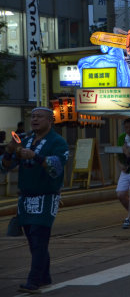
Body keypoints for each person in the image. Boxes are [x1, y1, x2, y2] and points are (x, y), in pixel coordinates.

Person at [1, 107, 69, 293]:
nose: (35, 119)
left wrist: (36, 157)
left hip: (46, 197)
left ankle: (34, 280)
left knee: (39, 238)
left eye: (40, 117)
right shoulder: (25, 140)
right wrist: (9, 151)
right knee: (33, 239)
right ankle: (44, 276)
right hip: (25, 197)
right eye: (33, 116)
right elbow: (5, 166)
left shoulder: (58, 142)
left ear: (50, 121)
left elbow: (57, 167)